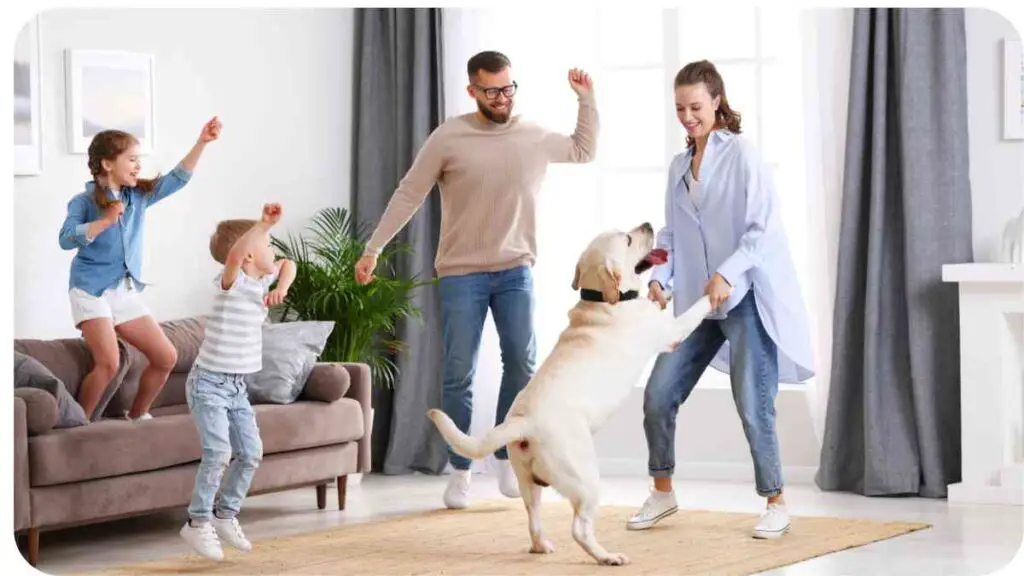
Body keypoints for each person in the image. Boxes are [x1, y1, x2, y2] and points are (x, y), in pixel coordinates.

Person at [354, 50, 599, 509]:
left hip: (515, 271)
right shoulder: (450, 136)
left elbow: (583, 151)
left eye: (508, 88)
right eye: (492, 90)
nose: (502, 97)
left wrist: (586, 101)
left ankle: (507, 458)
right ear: (472, 91)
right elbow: (410, 191)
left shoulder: (532, 135)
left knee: (523, 366)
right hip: (461, 274)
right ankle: (461, 470)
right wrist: (374, 248)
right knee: (458, 373)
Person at [626, 60, 814, 539]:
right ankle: (663, 492)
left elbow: (761, 229)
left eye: (695, 106)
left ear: (716, 102)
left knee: (754, 403)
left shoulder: (743, 156)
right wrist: (660, 278)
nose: (688, 116)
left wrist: (727, 273)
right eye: (679, 108)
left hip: (744, 298)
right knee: (658, 394)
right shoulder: (677, 167)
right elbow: (670, 232)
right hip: (696, 304)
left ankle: (776, 502)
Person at [58, 118, 222, 421]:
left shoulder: (138, 197)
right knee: (107, 363)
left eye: (138, 160)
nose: (137, 166)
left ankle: (136, 417)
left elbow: (178, 178)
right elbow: (66, 239)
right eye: (132, 159)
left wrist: (202, 142)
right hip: (89, 289)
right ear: (107, 164)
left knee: (166, 357)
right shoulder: (82, 202)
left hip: (123, 290)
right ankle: (76, 427)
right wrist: (105, 221)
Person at [178, 204, 296, 561]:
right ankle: (197, 523)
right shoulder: (231, 283)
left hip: (236, 387)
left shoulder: (262, 282)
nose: (273, 250)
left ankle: (225, 514)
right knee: (218, 452)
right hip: (208, 384)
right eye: (267, 243)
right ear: (247, 256)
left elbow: (290, 264)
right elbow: (232, 257)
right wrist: (261, 224)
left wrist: (282, 289)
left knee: (251, 453)